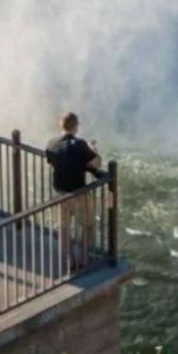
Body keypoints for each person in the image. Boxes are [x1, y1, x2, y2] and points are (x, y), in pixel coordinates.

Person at [46, 112, 106, 268]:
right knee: (88, 225)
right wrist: (93, 148)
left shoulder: (51, 143)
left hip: (61, 192)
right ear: (76, 127)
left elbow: (53, 162)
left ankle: (70, 259)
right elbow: (97, 163)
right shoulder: (80, 145)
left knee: (64, 227)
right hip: (79, 192)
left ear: (61, 125)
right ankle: (84, 258)